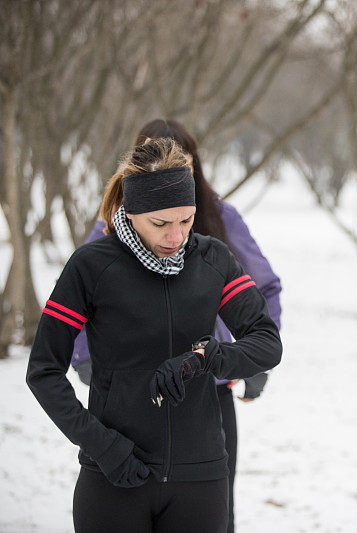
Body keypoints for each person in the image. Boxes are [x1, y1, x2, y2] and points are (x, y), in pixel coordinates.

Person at [27, 137, 282, 533]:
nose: (176, 236)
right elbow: (43, 370)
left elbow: (266, 342)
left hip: (200, 481)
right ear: (130, 213)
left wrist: (206, 357)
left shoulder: (212, 260)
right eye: (161, 223)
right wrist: (102, 446)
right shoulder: (91, 267)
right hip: (114, 478)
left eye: (186, 220)